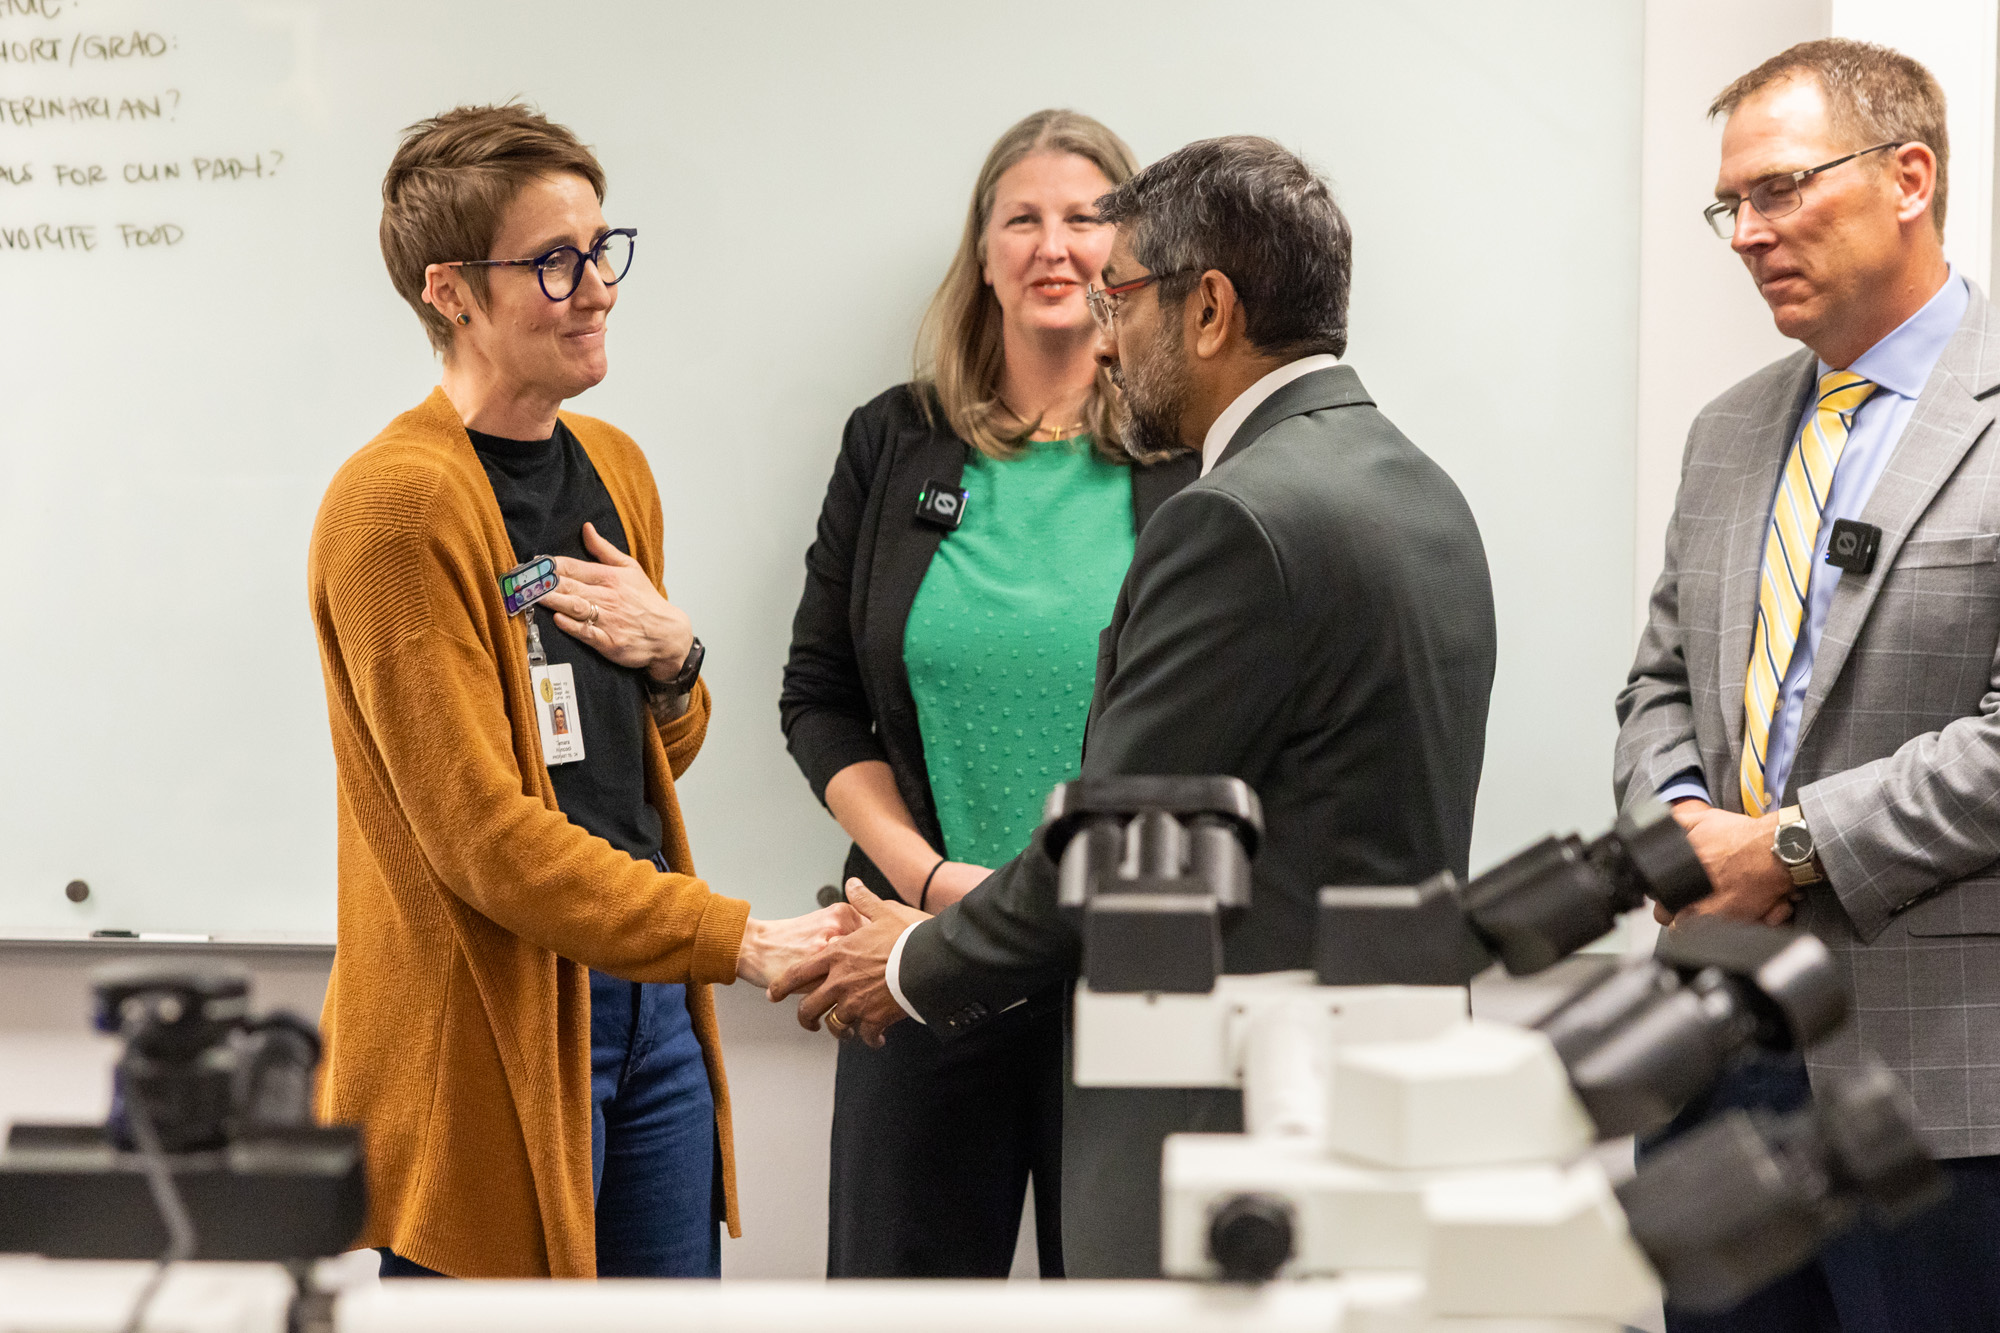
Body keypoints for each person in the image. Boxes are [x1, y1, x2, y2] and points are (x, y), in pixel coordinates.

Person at [774, 135, 1497, 1278]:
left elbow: (1114, 848)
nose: (1107, 335)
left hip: (1221, 1100)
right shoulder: (1414, 486)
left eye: (1123, 294)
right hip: (1355, 1094)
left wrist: (910, 960)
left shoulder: (1232, 518)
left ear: (1206, 309)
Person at [308, 104, 853, 1280]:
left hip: (646, 1000)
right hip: (500, 1016)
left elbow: (645, 763)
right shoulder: (396, 509)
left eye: (602, 249)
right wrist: (734, 937)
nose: (596, 285)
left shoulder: (614, 468)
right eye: (553, 261)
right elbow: (486, 840)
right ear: (450, 291)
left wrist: (677, 664)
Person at [1615, 39, 2000, 1331]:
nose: (1747, 232)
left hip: (1942, 1088)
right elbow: (1660, 681)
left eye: (1780, 189)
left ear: (1909, 176)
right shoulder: (1727, 432)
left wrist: (1779, 848)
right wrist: (1682, 839)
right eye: (1734, 203)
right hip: (1714, 1062)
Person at [779, 108, 1197, 1279]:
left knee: (1128, 1300)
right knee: (895, 1298)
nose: (1053, 246)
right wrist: (927, 879)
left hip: (1123, 974)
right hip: (916, 955)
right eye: (1022, 218)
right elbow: (816, 698)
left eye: (1085, 219)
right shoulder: (894, 441)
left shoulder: (1188, 458)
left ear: (1132, 260)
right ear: (982, 250)